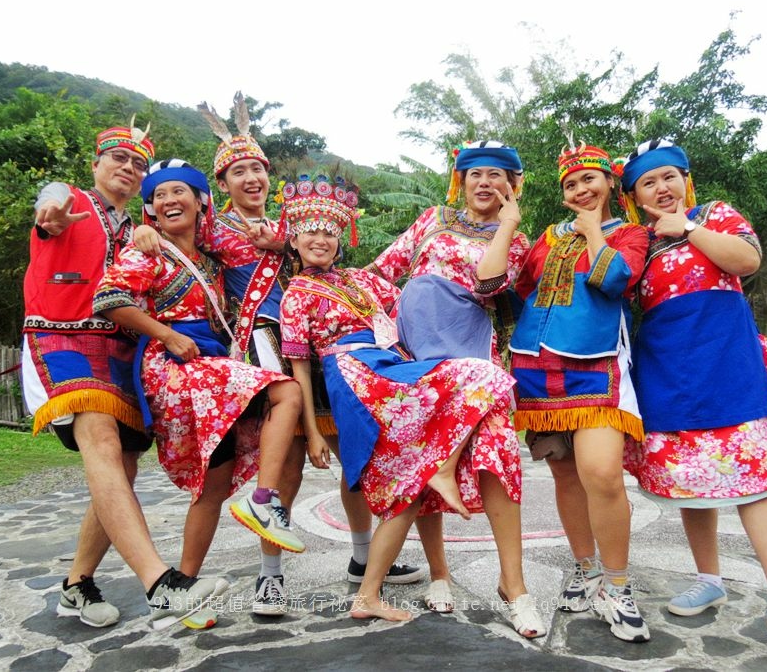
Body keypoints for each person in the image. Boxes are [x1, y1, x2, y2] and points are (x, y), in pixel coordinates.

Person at [132, 95, 423, 616]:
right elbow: (173, 228)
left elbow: (323, 262)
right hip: (263, 347)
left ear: (268, 177)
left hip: (316, 345)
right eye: (237, 171)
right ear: (219, 186)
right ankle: (270, 577)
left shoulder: (293, 225)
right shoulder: (212, 229)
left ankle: (361, 558)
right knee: (285, 462)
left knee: (349, 453)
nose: (250, 178)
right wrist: (144, 226)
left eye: (257, 169)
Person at [279, 174, 544, 637]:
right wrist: (314, 430)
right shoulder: (297, 294)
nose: (320, 239)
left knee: (414, 473)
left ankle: (368, 595)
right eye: (309, 231)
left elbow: (418, 299)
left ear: (341, 240)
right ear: (293, 239)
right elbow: (300, 365)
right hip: (357, 376)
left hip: (396, 364)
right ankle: (444, 473)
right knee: (486, 376)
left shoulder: (361, 280)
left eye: (329, 231)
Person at [619, 139, 767, 670]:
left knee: (758, 489)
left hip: (728, 359)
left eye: (670, 177)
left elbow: (747, 261)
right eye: (648, 182)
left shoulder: (715, 215)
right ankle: (709, 581)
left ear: (686, 180)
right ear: (635, 196)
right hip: (668, 368)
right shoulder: (635, 241)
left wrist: (687, 228)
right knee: (693, 488)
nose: (662, 188)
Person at [20, 122, 226, 631]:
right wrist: (49, 207)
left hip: (121, 346)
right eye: (118, 158)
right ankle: (161, 583)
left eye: (137, 164)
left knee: (124, 468)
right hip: (62, 333)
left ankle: (77, 583)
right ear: (96, 164)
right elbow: (49, 206)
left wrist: (146, 229)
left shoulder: (138, 226)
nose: (128, 169)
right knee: (104, 448)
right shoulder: (69, 199)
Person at [93, 159, 306, 626]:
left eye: (180, 192)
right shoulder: (147, 250)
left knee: (213, 482)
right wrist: (165, 335)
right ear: (150, 208)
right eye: (160, 195)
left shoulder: (211, 258)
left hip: (209, 364)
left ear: (201, 200)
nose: (170, 201)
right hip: (176, 365)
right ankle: (262, 501)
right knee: (286, 392)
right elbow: (109, 300)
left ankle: (184, 590)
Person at [367, 139, 529, 613]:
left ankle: (513, 583)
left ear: (512, 185)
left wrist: (509, 224)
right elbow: (382, 271)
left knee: (497, 453)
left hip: (470, 345)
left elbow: (487, 282)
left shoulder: (515, 239)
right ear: (461, 180)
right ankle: (439, 574)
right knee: (421, 453)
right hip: (415, 342)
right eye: (476, 174)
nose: (485, 182)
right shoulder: (433, 219)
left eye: (496, 175)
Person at [507, 143, 650, 642]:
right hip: (536, 368)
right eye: (571, 184)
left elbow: (614, 281)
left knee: (602, 473)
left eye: (589, 179)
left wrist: (592, 230)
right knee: (566, 476)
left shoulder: (632, 233)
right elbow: (517, 289)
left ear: (610, 183)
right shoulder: (546, 238)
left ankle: (617, 584)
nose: (581, 189)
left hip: (596, 366)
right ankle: (586, 570)